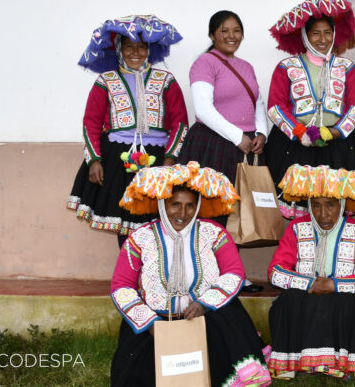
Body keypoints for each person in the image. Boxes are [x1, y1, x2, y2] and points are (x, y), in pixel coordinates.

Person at [109, 162, 271, 386]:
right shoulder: (140, 238)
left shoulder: (213, 233)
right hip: (154, 324)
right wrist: (149, 323)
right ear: (162, 203)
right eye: (175, 204)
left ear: (198, 206)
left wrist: (205, 303)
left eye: (190, 206)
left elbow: (234, 273)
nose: (182, 213)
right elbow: (122, 286)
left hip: (209, 317)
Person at [67, 15, 188, 246]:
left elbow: (180, 123)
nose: (136, 53)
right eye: (129, 47)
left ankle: (153, 274)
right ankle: (129, 273)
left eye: (141, 47)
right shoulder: (106, 81)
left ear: (149, 50)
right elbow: (90, 123)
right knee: (124, 222)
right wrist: (94, 160)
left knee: (156, 221)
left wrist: (170, 159)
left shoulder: (166, 80)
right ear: (119, 50)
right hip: (117, 160)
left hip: (158, 160)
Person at [265, 164, 355, 379]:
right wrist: (310, 284)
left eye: (330, 205)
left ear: (342, 204)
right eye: (316, 205)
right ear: (309, 205)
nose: (323, 213)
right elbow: (275, 272)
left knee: (346, 302)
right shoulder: (296, 228)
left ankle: (340, 362)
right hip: (308, 291)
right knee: (289, 301)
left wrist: (333, 285)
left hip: (342, 296)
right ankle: (294, 363)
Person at [266, 0, 355, 219]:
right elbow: (276, 107)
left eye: (327, 32)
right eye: (315, 33)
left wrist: (334, 131)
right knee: (300, 210)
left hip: (339, 145)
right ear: (305, 35)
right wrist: (300, 132)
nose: (322, 39)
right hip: (295, 145)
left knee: (334, 209)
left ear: (334, 35)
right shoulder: (287, 67)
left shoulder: (347, 67)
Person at [178, 10, 268, 193]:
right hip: (214, 143)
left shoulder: (246, 66)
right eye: (224, 31)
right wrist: (237, 137)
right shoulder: (204, 62)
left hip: (248, 145)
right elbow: (203, 109)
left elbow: (257, 103)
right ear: (212, 35)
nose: (231, 36)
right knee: (215, 204)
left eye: (236, 31)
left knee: (248, 208)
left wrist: (261, 133)